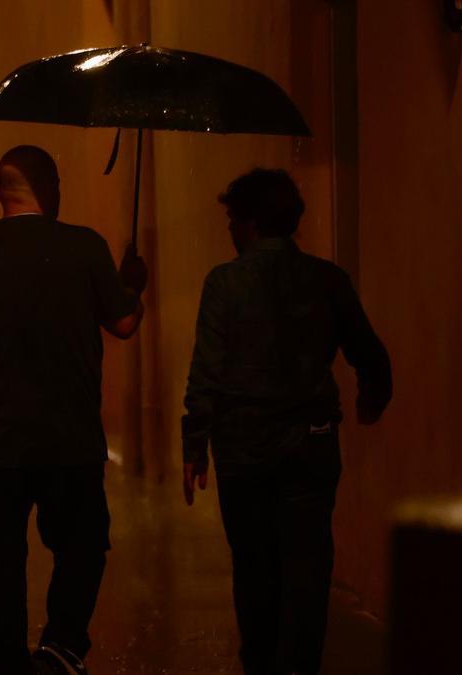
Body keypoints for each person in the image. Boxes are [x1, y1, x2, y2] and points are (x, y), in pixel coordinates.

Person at [0, 145, 147, 675]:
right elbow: (125, 324)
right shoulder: (85, 247)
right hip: (70, 440)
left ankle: (9, 667)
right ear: (51, 189)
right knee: (83, 544)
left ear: (3, 193)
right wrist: (134, 282)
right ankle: (62, 648)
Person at [181, 169, 392, 675]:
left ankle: (259, 663)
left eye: (233, 219)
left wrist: (195, 444)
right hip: (310, 447)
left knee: (254, 570)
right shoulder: (327, 280)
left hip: (243, 450)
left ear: (250, 223)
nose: (230, 231)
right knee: (307, 571)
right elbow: (371, 355)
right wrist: (371, 399)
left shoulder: (224, 283)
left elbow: (207, 368)